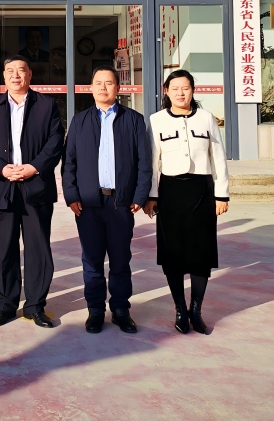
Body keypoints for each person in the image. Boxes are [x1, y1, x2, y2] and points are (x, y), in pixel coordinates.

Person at [0, 56, 65, 328]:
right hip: (1, 187)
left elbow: (55, 141)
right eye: (10, 71)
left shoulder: (46, 105)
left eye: (21, 70)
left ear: (30, 74)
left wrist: (34, 167)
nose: (16, 75)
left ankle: (35, 306)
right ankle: (5, 304)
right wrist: (1, 169)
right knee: (4, 249)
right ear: (4, 76)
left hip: (35, 186)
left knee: (38, 249)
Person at [63, 67, 152, 334]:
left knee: (120, 260)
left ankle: (121, 309)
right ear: (90, 88)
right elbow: (69, 163)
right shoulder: (79, 121)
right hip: (88, 204)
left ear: (118, 87)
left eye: (109, 83)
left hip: (120, 203)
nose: (103, 88)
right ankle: (95, 310)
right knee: (91, 260)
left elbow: (144, 163)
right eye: (98, 83)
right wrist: (71, 195)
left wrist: (139, 196)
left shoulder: (133, 120)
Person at [144, 69, 229, 335]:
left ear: (193, 90)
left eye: (186, 88)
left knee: (201, 253)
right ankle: (180, 309)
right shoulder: (156, 120)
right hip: (170, 193)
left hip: (202, 191)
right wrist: (151, 196)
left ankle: (196, 310)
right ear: (166, 91)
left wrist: (221, 194)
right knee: (173, 255)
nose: (181, 93)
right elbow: (152, 162)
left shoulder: (206, 118)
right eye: (175, 88)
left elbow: (218, 157)